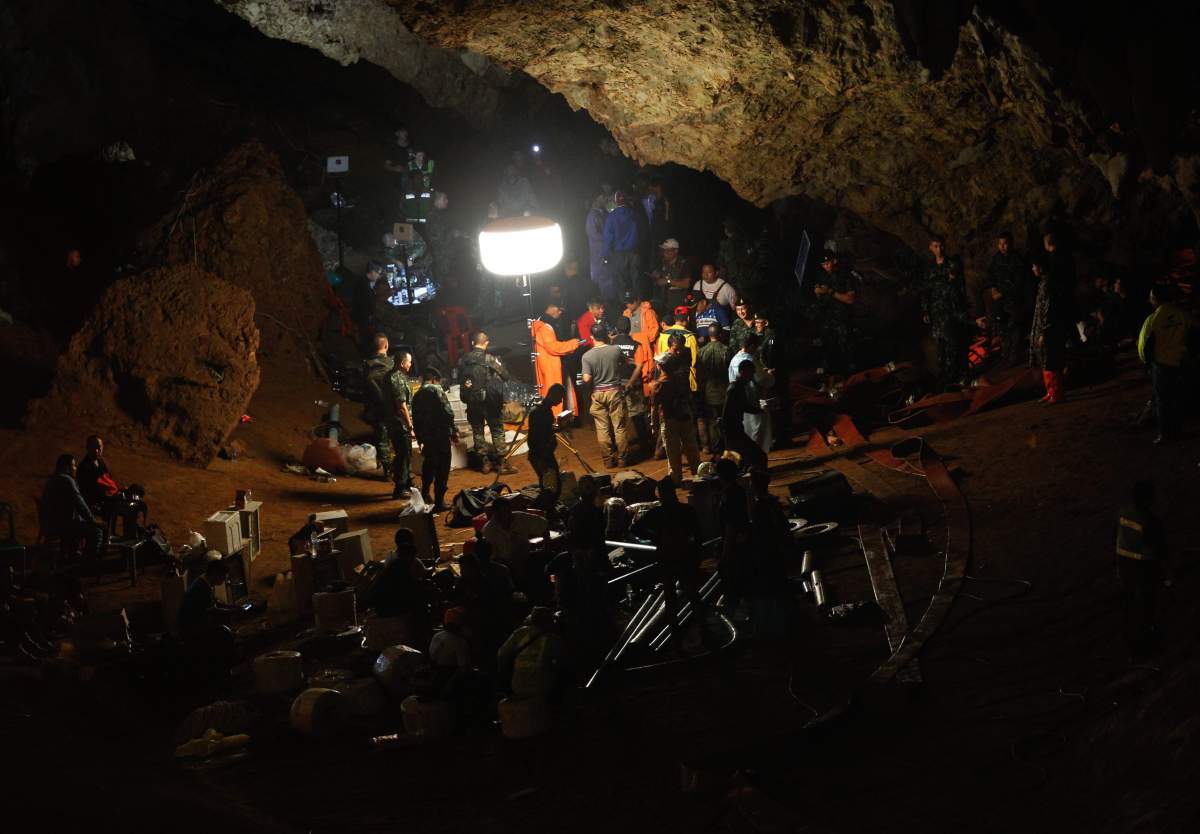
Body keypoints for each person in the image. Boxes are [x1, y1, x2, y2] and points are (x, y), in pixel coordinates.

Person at [646, 477, 706, 650]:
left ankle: (676, 638)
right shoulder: (686, 510)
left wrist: (656, 537)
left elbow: (636, 529)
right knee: (692, 596)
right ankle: (703, 631)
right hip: (684, 559)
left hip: (668, 560)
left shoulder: (658, 513)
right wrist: (695, 554)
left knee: (671, 599)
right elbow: (698, 536)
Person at [1114, 481, 1170, 659]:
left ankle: (1129, 637)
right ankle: (1146, 640)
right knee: (1147, 603)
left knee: (1129, 601)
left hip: (1123, 562)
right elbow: (1160, 548)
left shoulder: (1123, 512)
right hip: (1144, 566)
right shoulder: (1151, 521)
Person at [1137, 284, 1192, 444]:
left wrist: (1146, 362)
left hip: (1161, 364)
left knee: (1163, 400)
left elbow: (1143, 346)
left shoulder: (1152, 320)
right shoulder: (1182, 315)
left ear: (1155, 299)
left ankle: (1165, 434)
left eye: (1151, 297)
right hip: (1179, 361)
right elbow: (1194, 333)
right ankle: (1178, 430)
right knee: (1178, 398)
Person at [456, 332, 515, 475]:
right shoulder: (489, 359)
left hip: (472, 402)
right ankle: (502, 463)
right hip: (489, 402)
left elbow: (460, 379)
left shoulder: (463, 360)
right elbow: (506, 376)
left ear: (472, 343)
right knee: (497, 430)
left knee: (478, 432)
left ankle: (484, 464)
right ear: (486, 343)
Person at [922, 236, 971, 390]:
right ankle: (944, 381)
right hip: (937, 314)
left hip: (951, 312)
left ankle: (956, 379)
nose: (939, 249)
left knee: (954, 347)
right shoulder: (929, 269)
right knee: (941, 349)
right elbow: (926, 291)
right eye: (935, 246)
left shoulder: (952, 264)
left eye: (941, 246)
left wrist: (963, 309)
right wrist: (925, 310)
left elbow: (960, 287)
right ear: (930, 248)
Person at [653, 333, 701, 483]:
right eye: (675, 349)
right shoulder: (662, 363)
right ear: (669, 347)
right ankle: (676, 479)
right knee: (673, 450)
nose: (678, 351)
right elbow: (656, 395)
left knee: (691, 447)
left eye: (680, 348)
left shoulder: (685, 355)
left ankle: (698, 475)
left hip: (683, 408)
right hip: (669, 413)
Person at [581, 323, 631, 468]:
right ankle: (622, 459)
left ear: (591, 337)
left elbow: (586, 379)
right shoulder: (615, 350)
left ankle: (608, 461)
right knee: (619, 427)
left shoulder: (587, 356)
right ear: (606, 335)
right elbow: (626, 362)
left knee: (602, 429)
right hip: (614, 391)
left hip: (598, 393)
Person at [77, 435, 145, 539]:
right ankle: (115, 538)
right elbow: (91, 492)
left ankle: (130, 538)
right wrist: (112, 496)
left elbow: (109, 482)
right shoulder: (84, 468)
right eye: (94, 447)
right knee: (127, 509)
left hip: (108, 498)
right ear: (87, 447)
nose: (97, 450)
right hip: (96, 503)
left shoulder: (101, 462)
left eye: (99, 447)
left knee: (133, 500)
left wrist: (118, 490)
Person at [496, 606, 567, 700]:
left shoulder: (519, 633)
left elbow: (502, 654)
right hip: (542, 689)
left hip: (518, 687)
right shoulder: (553, 640)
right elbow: (562, 664)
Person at [412, 367, 458, 511]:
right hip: (440, 435)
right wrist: (454, 431)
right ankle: (439, 502)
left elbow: (416, 418)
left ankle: (425, 493)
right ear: (433, 379)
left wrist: (420, 438)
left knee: (429, 465)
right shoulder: (436, 390)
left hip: (427, 436)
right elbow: (448, 412)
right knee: (442, 468)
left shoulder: (417, 394)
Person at [40, 454, 103, 559]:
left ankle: (72, 556)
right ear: (66, 467)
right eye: (73, 466)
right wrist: (92, 520)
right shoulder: (66, 480)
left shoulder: (52, 479)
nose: (75, 468)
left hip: (51, 523)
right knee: (97, 532)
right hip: (62, 526)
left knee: (80, 524)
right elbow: (79, 502)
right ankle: (87, 564)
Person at [983, 232, 1031, 365]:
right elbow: (990, 275)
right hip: (1000, 303)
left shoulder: (1017, 260)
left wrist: (1003, 292)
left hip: (1014, 302)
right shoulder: (997, 259)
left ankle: (1014, 358)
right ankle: (1006, 356)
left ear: (1011, 243)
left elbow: (1020, 282)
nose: (1002, 246)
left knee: (1015, 329)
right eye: (1000, 243)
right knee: (1002, 328)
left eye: (1005, 243)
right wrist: (993, 287)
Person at [1029, 258, 1070, 405]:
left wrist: (1044, 331)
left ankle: (1057, 393)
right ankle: (1050, 391)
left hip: (1049, 329)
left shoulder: (1048, 285)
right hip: (1043, 327)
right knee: (1046, 361)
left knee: (1051, 361)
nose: (1033, 269)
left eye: (1034, 266)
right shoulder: (1043, 284)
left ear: (1040, 267)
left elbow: (1048, 309)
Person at [716, 457, 752, 619]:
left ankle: (735, 615)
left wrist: (725, 552)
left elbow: (730, 526)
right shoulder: (739, 490)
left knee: (733, 578)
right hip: (744, 539)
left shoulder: (728, 496)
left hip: (735, 543)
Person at [531, 302, 581, 418]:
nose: (560, 313)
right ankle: (556, 419)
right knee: (555, 394)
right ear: (552, 308)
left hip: (546, 364)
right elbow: (553, 347)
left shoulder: (540, 323)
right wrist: (573, 344)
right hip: (552, 366)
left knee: (549, 392)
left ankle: (556, 417)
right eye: (559, 310)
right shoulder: (546, 326)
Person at [812, 252, 856, 376]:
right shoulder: (824, 276)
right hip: (828, 318)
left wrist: (830, 292)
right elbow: (819, 292)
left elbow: (850, 299)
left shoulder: (845, 276)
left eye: (827, 263)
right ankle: (829, 372)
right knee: (828, 346)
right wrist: (818, 291)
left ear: (834, 261)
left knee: (846, 348)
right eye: (823, 264)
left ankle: (850, 372)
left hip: (842, 318)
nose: (825, 266)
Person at [614, 316, 653, 454]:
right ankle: (645, 445)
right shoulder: (637, 345)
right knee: (638, 416)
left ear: (617, 329)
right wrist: (630, 382)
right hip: (633, 384)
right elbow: (639, 365)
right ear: (629, 328)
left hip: (616, 385)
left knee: (616, 417)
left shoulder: (611, 345)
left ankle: (617, 447)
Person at [723, 359, 768, 472]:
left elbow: (743, 406)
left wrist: (759, 410)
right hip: (733, 431)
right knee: (758, 456)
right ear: (743, 372)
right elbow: (728, 412)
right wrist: (760, 410)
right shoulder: (735, 388)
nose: (752, 377)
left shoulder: (738, 387)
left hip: (735, 429)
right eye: (751, 373)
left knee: (747, 458)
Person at [362, 334, 397, 481]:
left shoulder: (367, 365)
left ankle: (388, 471)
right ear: (386, 346)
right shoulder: (392, 364)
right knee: (397, 439)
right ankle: (400, 470)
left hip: (376, 408)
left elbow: (364, 389)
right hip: (393, 408)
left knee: (382, 440)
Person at [384, 350, 417, 496]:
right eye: (409, 362)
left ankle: (408, 482)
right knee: (403, 454)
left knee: (406, 453)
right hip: (400, 423)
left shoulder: (392, 376)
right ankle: (400, 487)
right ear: (403, 363)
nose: (411, 364)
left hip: (395, 421)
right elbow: (402, 406)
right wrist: (410, 426)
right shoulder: (397, 378)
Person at [696, 323, 732, 453]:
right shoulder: (726, 350)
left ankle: (716, 448)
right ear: (720, 334)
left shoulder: (701, 351)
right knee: (726, 420)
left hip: (709, 392)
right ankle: (728, 447)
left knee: (712, 421)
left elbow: (698, 375)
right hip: (724, 391)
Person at [603, 191, 641, 301]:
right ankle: (638, 301)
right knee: (635, 278)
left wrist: (606, 255)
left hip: (618, 254)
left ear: (615, 201)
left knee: (621, 281)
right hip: (633, 252)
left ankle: (625, 304)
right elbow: (641, 231)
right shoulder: (634, 214)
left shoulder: (612, 217)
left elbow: (607, 237)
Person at [527, 384, 565, 495]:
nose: (561, 401)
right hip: (542, 455)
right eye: (560, 397)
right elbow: (534, 438)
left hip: (543, 453)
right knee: (551, 487)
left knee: (549, 485)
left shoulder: (545, 410)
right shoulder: (539, 412)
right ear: (553, 395)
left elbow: (544, 431)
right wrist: (540, 459)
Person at [652, 239, 691, 312]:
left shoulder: (683, 264)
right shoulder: (663, 262)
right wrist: (657, 277)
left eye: (667, 250)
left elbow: (686, 284)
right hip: (664, 301)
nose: (665, 253)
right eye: (664, 250)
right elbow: (661, 277)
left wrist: (668, 281)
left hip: (678, 302)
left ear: (676, 251)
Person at [585, 192, 612, 298]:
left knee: (608, 277)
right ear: (597, 198)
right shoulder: (592, 216)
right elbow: (593, 235)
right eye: (603, 197)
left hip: (606, 252)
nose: (606, 199)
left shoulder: (603, 213)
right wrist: (609, 239)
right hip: (598, 253)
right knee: (602, 279)